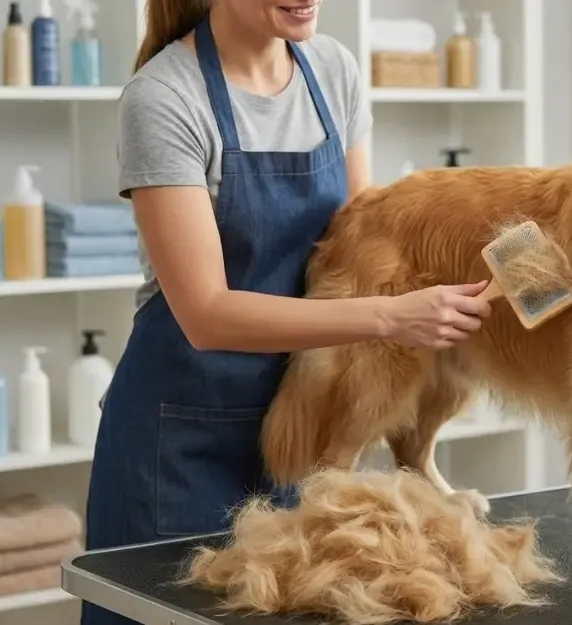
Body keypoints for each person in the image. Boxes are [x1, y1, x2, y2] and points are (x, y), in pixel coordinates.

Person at [81, 1, 492, 623]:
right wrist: (390, 317)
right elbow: (207, 313)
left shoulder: (332, 70)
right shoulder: (165, 96)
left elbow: (363, 238)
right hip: (181, 443)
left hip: (300, 419)